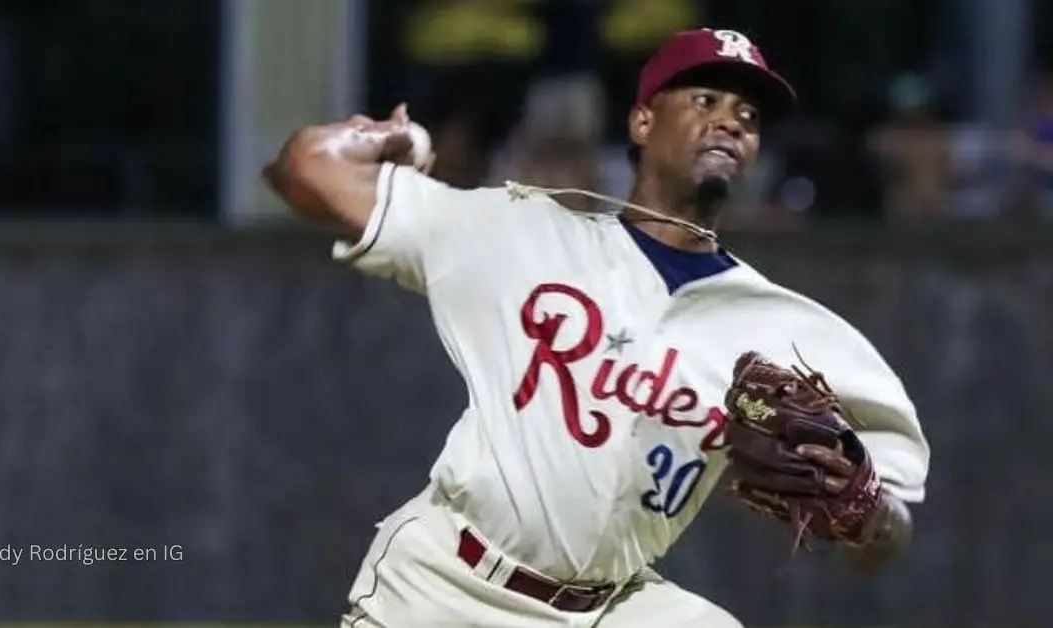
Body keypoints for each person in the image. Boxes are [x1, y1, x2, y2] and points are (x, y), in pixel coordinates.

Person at [263, 28, 930, 628]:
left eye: (748, 115)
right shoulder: (516, 232)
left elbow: (887, 538)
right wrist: (395, 140)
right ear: (642, 120)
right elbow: (303, 168)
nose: (730, 121)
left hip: (611, 607)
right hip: (445, 589)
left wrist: (866, 509)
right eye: (704, 100)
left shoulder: (790, 329)